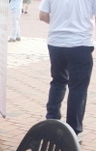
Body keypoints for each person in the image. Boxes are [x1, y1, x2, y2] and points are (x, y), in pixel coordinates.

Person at [39, 0, 96, 137]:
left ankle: (51, 120)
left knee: (58, 81)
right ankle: (73, 130)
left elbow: (43, 15)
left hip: (56, 43)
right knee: (78, 89)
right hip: (80, 44)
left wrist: (59, 24)